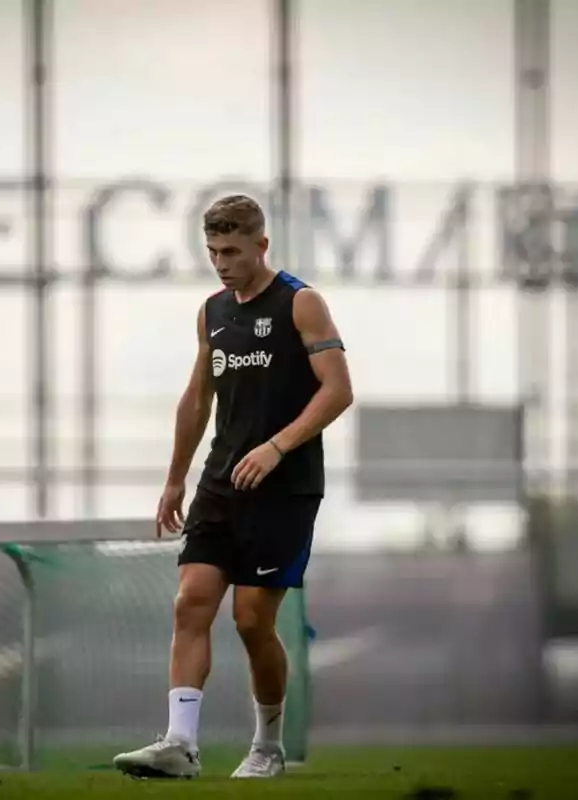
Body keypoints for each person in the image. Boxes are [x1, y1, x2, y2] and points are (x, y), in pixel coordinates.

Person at [112, 194, 354, 780]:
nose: (222, 263)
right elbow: (198, 399)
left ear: (261, 245)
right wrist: (175, 477)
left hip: (285, 488)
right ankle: (180, 745)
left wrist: (277, 446)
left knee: (251, 621)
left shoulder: (301, 303)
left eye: (232, 251)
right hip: (220, 484)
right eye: (213, 252)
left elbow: (338, 390)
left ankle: (267, 746)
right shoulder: (212, 312)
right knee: (190, 602)